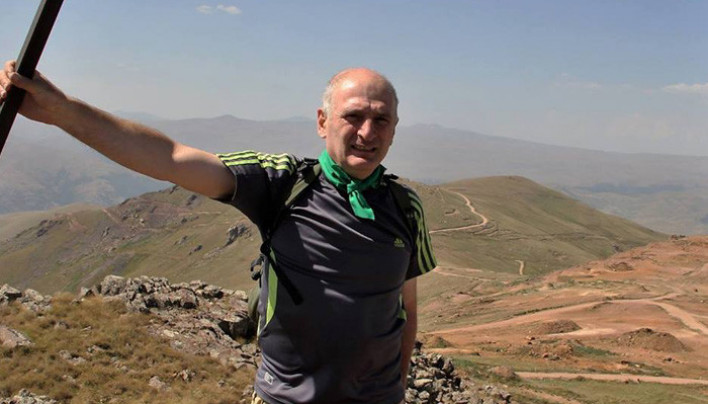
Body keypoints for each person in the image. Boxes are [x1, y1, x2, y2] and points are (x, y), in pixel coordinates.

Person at [0, 61, 437, 404]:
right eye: (353, 116)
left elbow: (406, 308)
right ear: (323, 122)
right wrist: (63, 111)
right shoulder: (283, 183)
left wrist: (396, 388)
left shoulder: (405, 206)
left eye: (381, 120)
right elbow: (170, 158)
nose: (367, 132)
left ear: (395, 129)